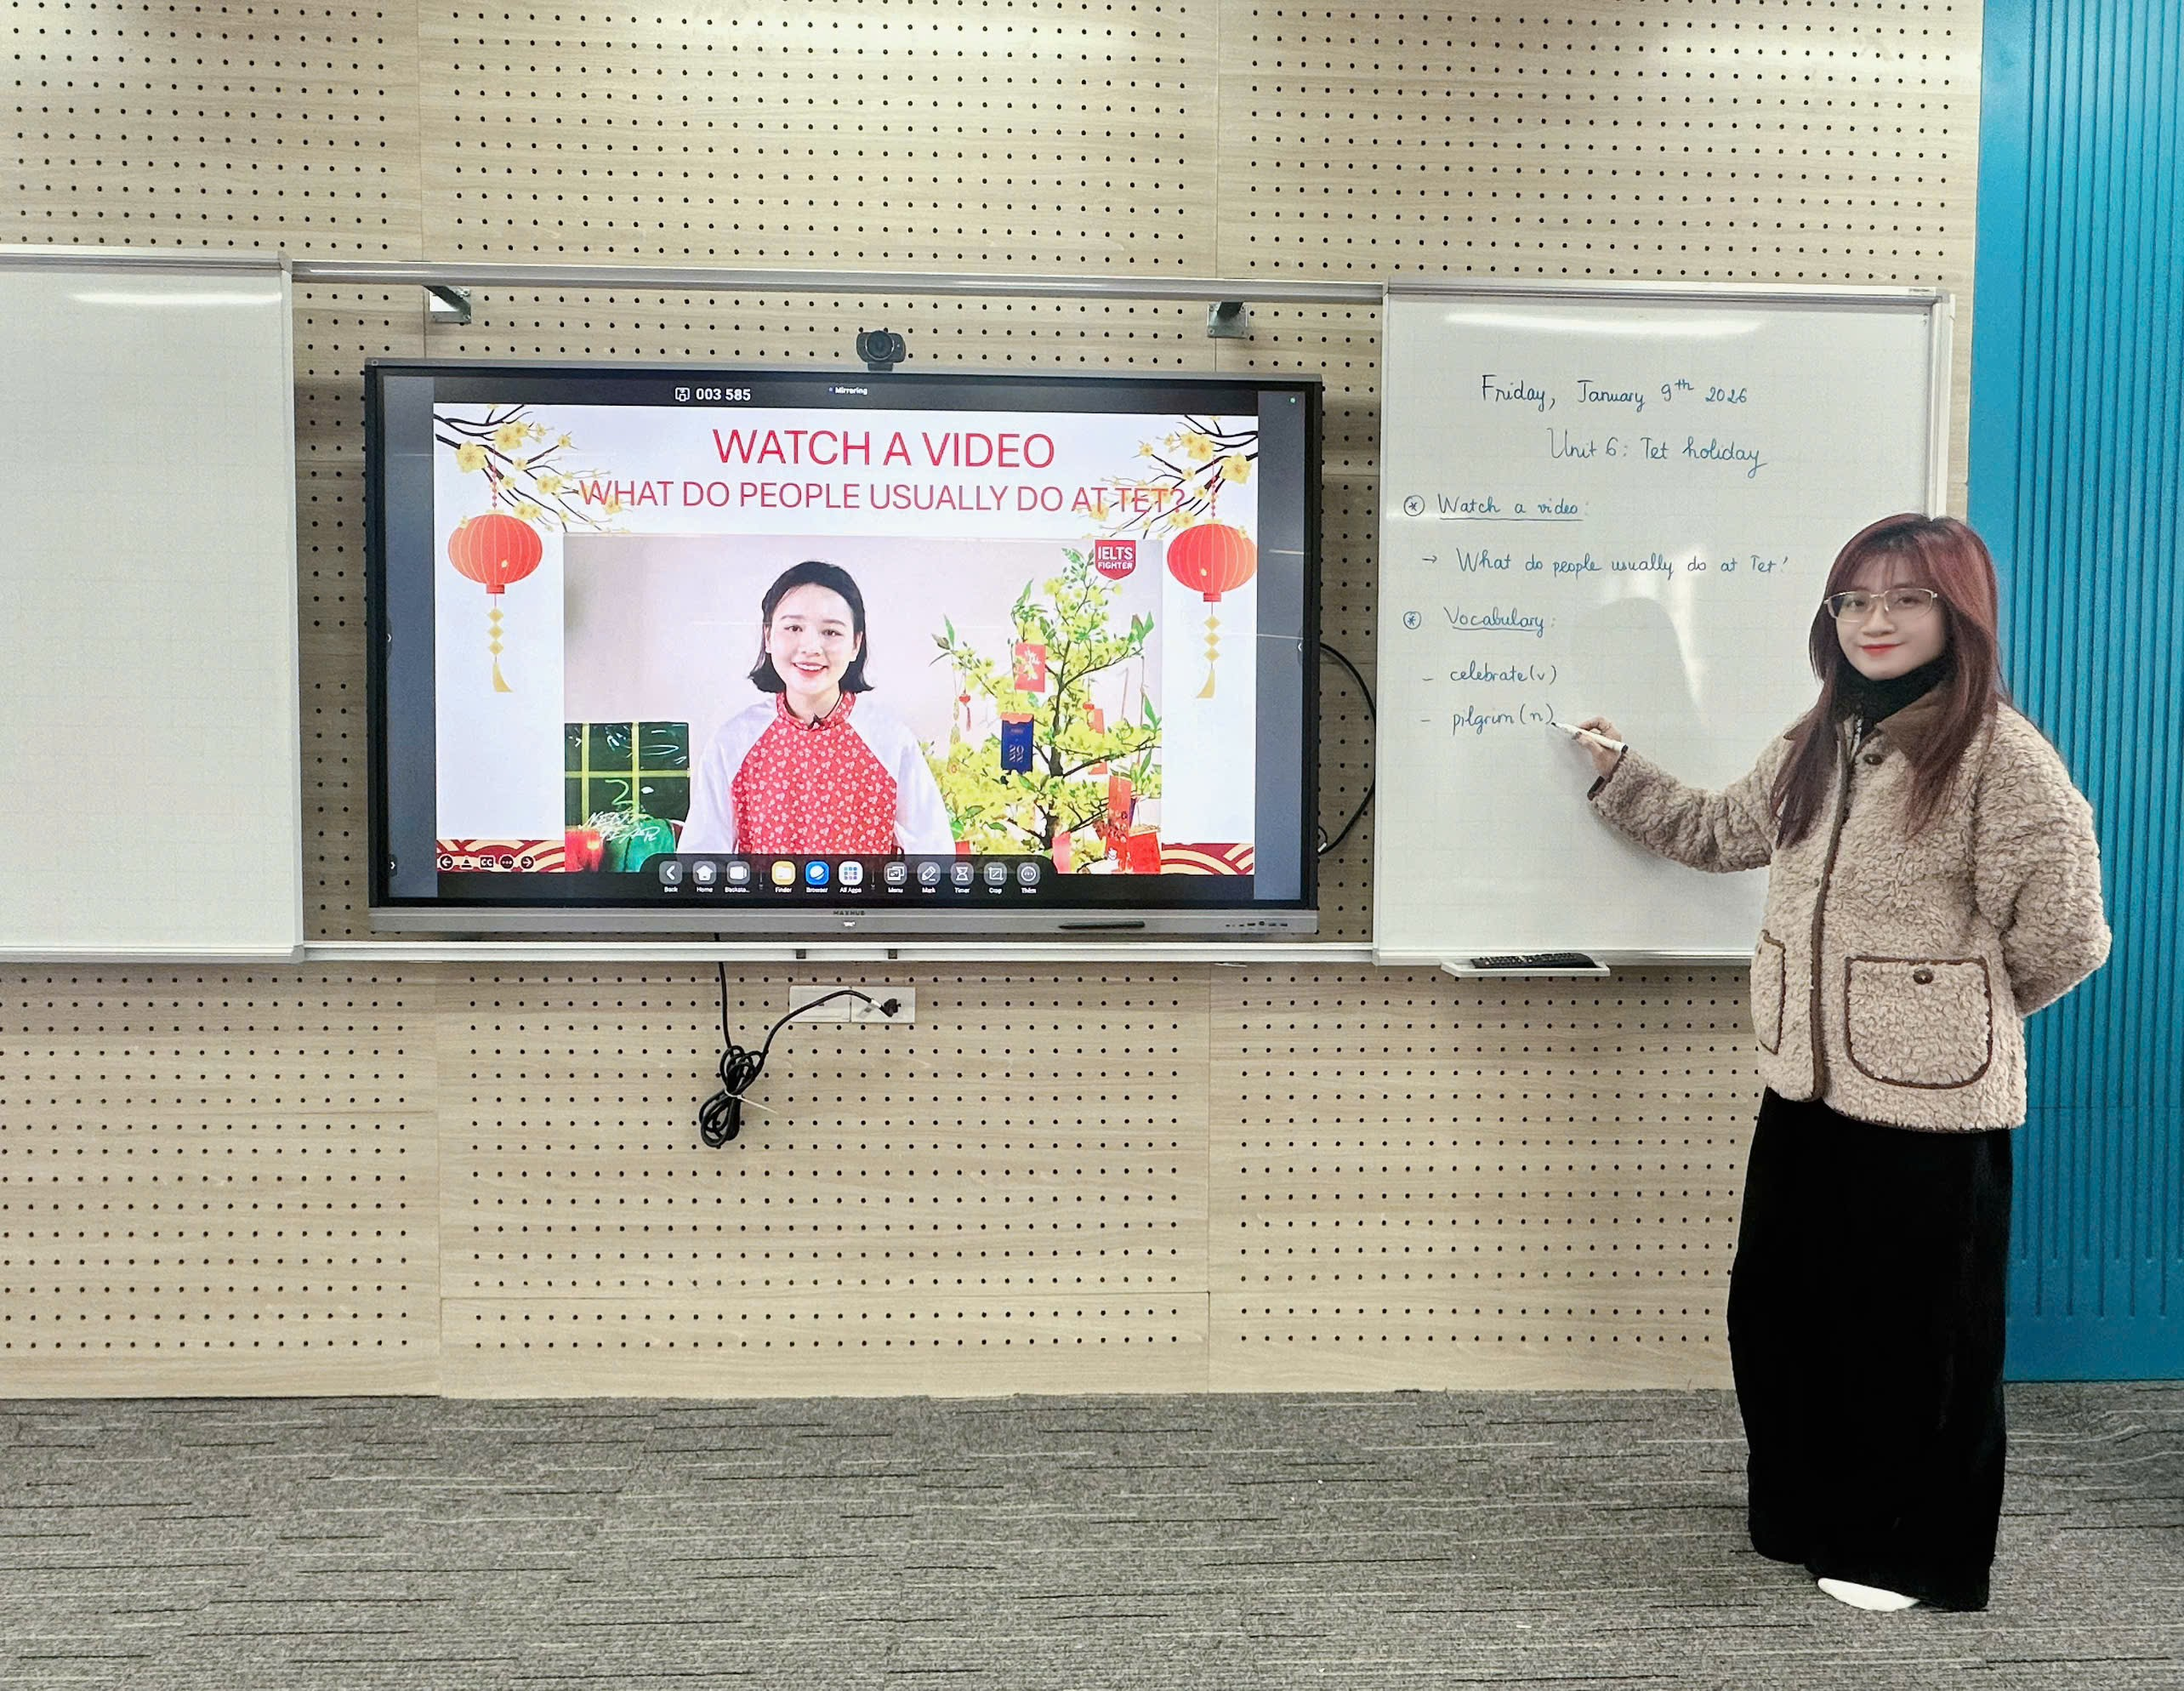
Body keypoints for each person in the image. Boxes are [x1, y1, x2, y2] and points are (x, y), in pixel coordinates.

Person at [1573, 514, 2108, 1614]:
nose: (1874, 621)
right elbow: (1722, 830)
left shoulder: (2002, 761)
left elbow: (2066, 939)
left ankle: (1912, 1554)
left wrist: (1948, 1016)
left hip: (1932, 1112)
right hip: (1806, 1088)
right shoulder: (1819, 737)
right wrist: (1619, 773)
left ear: (1957, 615)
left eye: (1904, 599)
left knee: (1918, 1343)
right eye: (1854, 601)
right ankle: (1809, 1513)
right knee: (1779, 1312)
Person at [680, 561, 955, 856]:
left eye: (831, 632)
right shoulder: (732, 742)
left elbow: (933, 854)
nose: (811, 646)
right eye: (794, 627)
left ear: (856, 644)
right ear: (768, 636)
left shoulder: (890, 740)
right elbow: (702, 862)